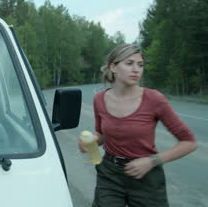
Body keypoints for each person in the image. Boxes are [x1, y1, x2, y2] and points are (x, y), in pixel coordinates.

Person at [78, 43, 197, 206]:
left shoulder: (154, 99)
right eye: (129, 63)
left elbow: (189, 142)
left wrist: (152, 161)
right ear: (113, 67)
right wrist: (91, 142)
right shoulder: (99, 98)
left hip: (146, 177)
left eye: (140, 65)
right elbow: (102, 135)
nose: (136, 69)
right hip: (109, 174)